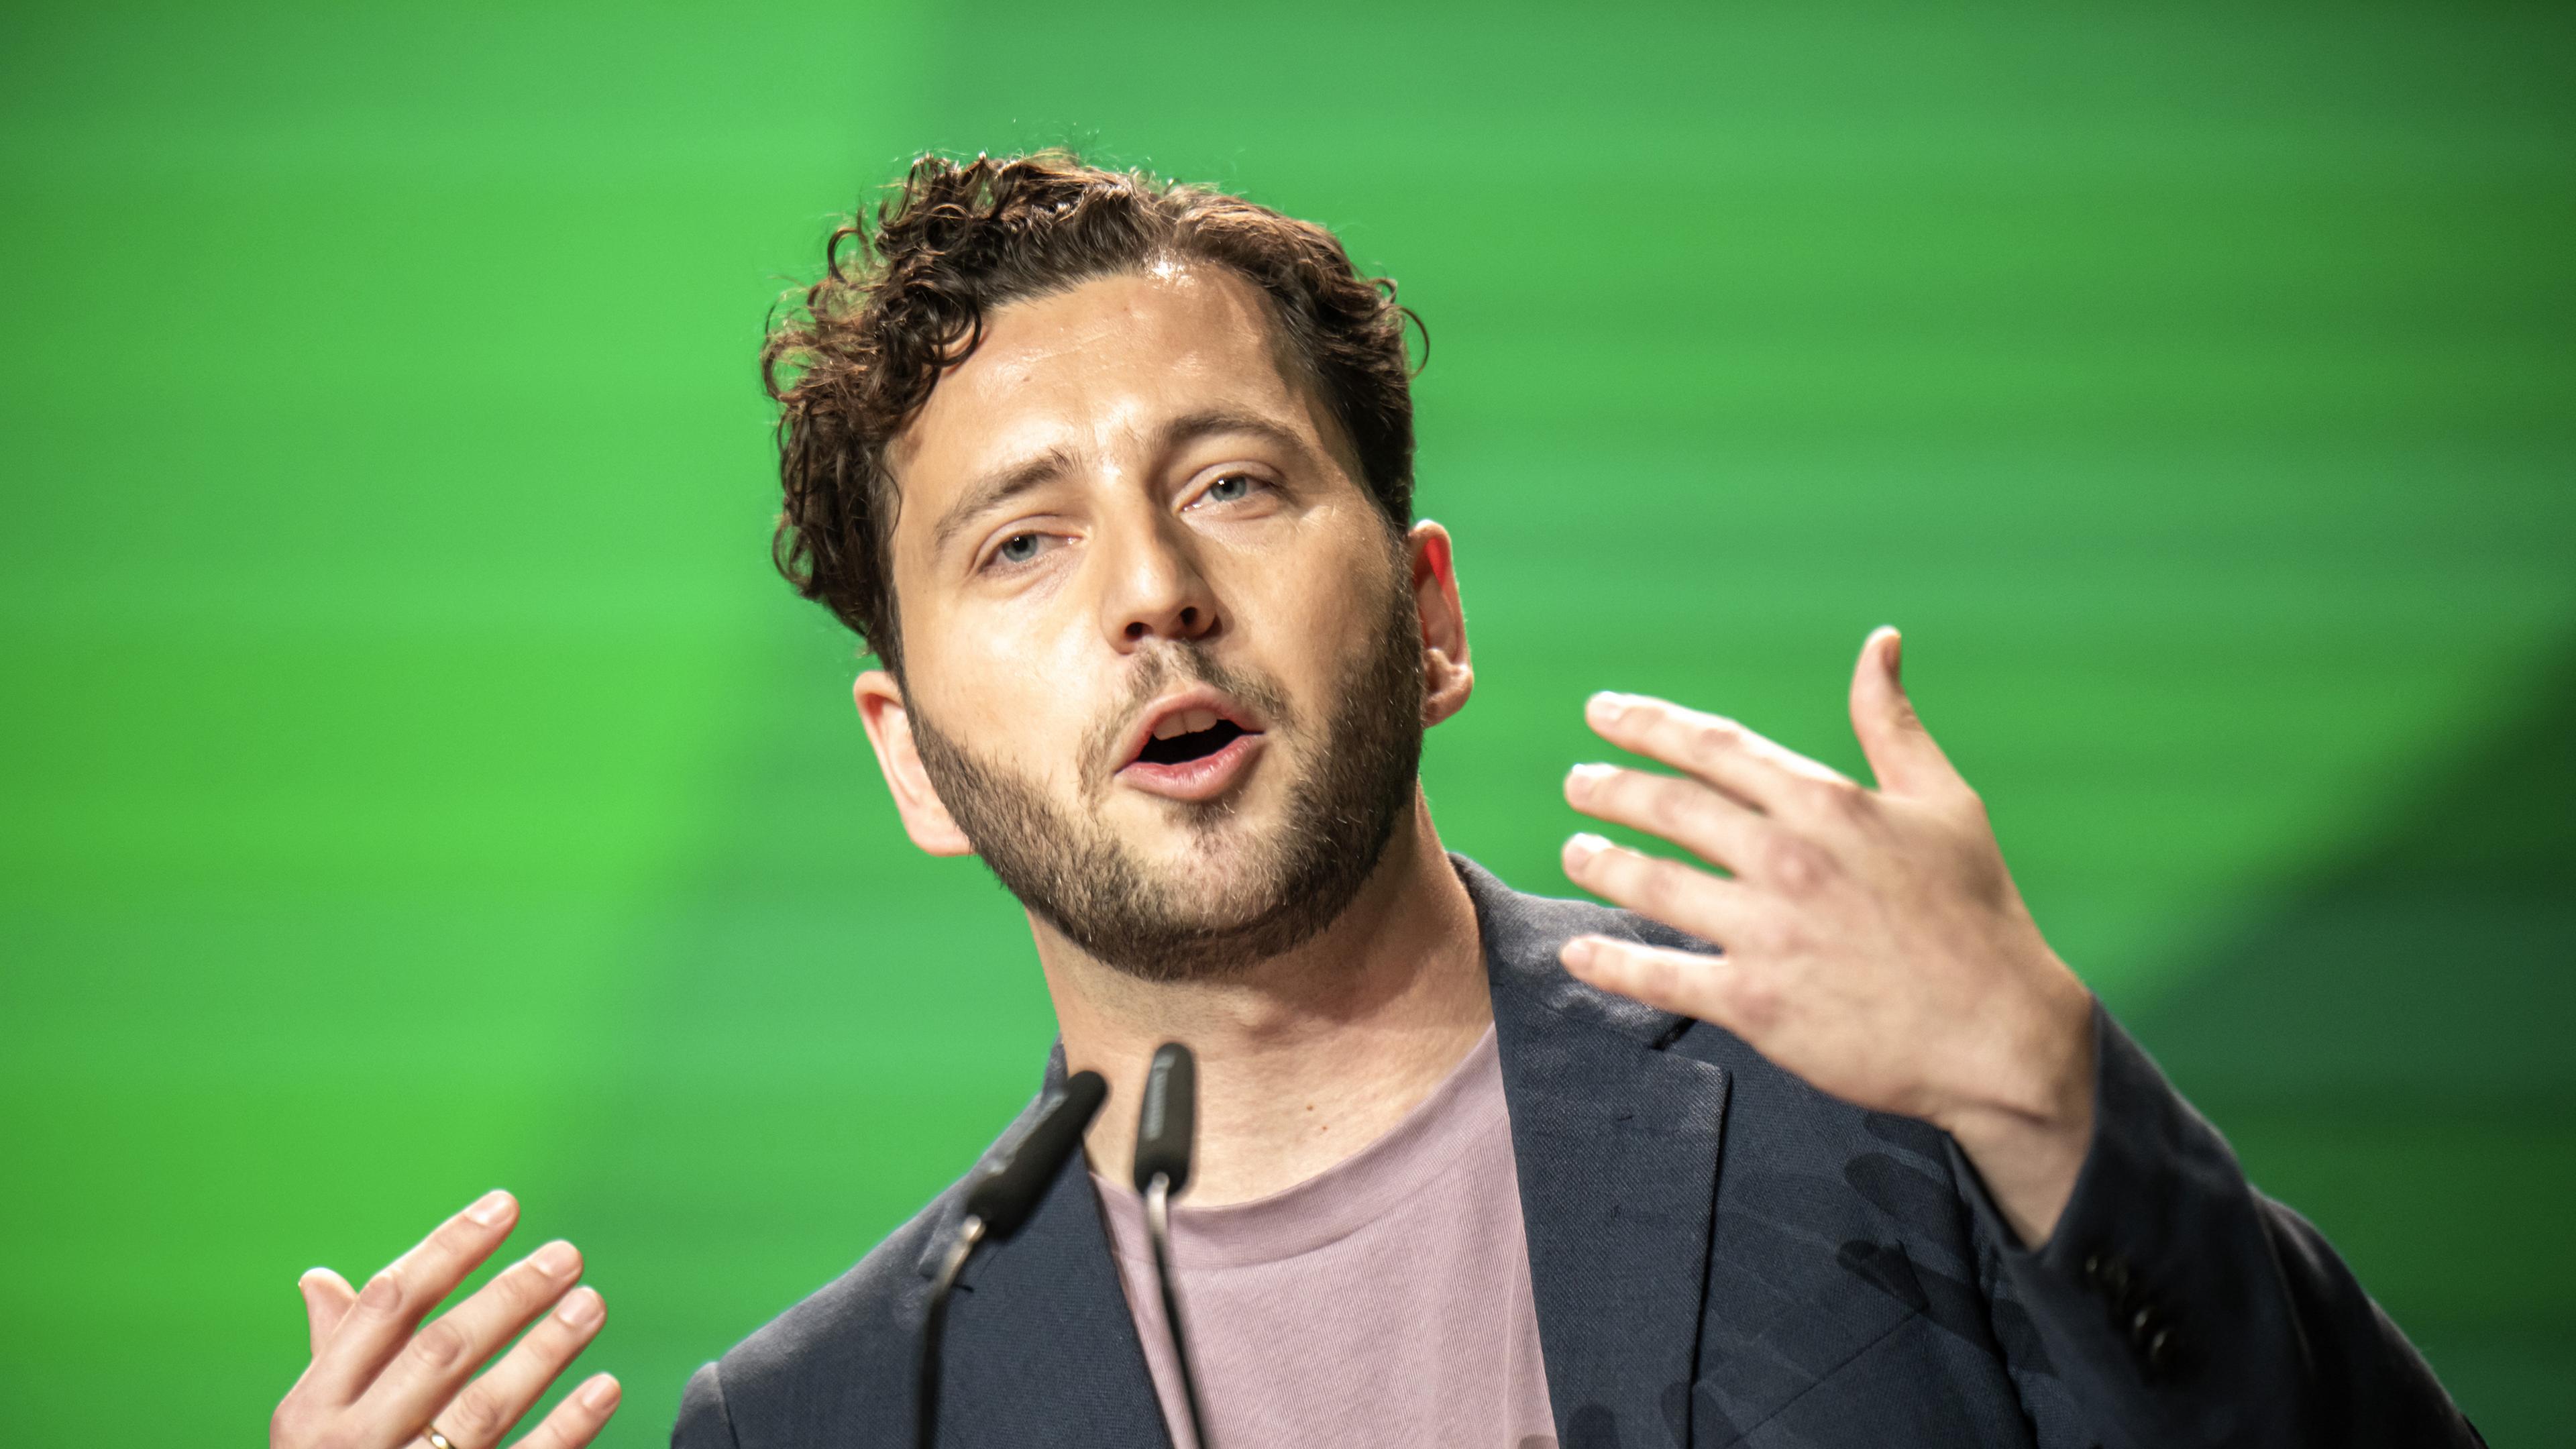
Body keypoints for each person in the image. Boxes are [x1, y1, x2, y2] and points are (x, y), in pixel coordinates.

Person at [269, 152, 2479, 1449]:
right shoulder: (851, 1414)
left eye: (1230, 483)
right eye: (1019, 544)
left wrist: (2046, 1099)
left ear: (1425, 615)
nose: (1152, 592)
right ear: (910, 763)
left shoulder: (1883, 1113)